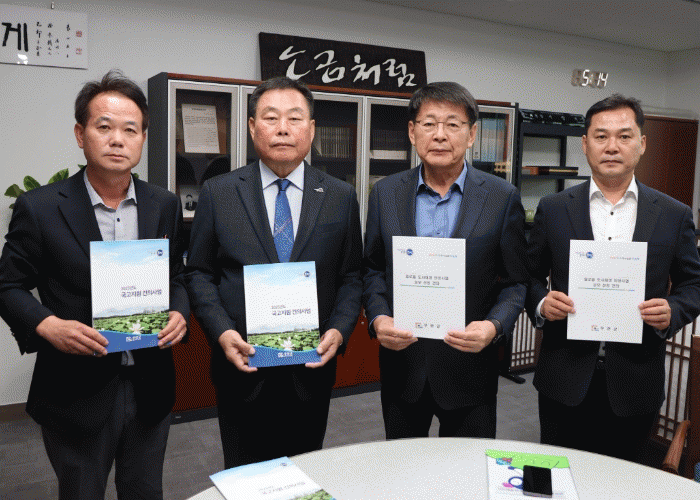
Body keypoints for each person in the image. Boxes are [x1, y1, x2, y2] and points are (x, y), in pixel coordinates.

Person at [0, 70, 189, 499]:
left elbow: (176, 275)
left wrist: (180, 310)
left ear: (143, 138)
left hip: (150, 385)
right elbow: (8, 285)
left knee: (145, 491)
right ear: (80, 134)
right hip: (75, 389)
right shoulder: (40, 208)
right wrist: (47, 325)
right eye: (104, 127)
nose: (117, 140)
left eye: (130, 129)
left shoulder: (163, 204)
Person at [185, 76, 362, 468]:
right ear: (252, 127)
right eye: (270, 118)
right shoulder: (219, 192)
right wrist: (222, 332)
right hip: (242, 365)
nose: (283, 128)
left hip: (310, 368)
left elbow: (351, 275)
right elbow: (198, 273)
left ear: (311, 129)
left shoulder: (340, 195)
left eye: (294, 118)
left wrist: (340, 330)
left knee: (305, 472)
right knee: (245, 477)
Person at [526, 94, 700, 462]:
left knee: (624, 480)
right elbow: (527, 276)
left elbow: (693, 284)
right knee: (560, 475)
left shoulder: (673, 214)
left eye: (624, 136)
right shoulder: (554, 209)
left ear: (642, 143)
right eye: (601, 136)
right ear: (585, 143)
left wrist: (673, 310)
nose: (612, 147)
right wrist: (541, 302)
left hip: (636, 382)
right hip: (563, 377)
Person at [362, 81, 529, 439]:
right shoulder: (385, 192)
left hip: (470, 369)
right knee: (402, 466)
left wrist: (494, 326)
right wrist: (378, 317)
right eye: (429, 124)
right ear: (412, 132)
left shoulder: (501, 197)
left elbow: (515, 282)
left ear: (471, 135)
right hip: (403, 366)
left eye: (452, 124)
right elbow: (372, 269)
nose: (440, 135)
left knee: (466, 468)